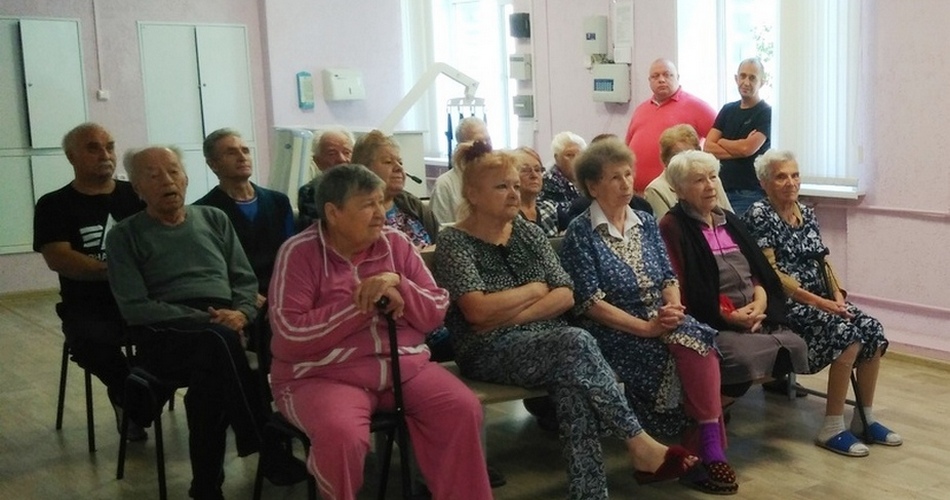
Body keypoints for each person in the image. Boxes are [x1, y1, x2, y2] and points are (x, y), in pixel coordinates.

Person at [433, 141, 697, 500]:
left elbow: (566, 295)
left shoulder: (528, 233)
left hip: (550, 345)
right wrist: (534, 289)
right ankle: (639, 444)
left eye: (515, 185)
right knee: (576, 341)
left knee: (572, 380)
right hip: (487, 350)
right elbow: (476, 312)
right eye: (501, 186)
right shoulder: (455, 241)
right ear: (473, 194)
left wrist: (508, 312)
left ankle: (589, 494)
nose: (514, 194)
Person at [268, 164, 492, 500]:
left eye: (380, 202)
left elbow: (436, 310)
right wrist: (364, 304)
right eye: (367, 205)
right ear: (333, 213)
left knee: (461, 408)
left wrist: (398, 283)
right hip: (323, 376)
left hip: (403, 367)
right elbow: (288, 335)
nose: (380, 213)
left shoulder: (396, 243)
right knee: (342, 435)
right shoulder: (299, 252)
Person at [106, 146, 304, 499]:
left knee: (210, 384)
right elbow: (135, 307)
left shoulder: (214, 218)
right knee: (218, 342)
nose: (167, 181)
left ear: (185, 178)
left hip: (227, 326)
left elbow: (244, 279)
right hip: (166, 332)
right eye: (153, 175)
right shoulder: (125, 235)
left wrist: (242, 313)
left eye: (173, 171)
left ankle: (206, 488)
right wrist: (211, 320)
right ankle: (263, 444)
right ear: (137, 188)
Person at [557, 138, 737, 495]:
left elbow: (668, 277)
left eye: (628, 174)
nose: (627, 184)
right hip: (612, 329)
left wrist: (672, 308)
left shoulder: (646, 221)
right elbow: (589, 303)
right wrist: (645, 327)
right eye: (615, 177)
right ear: (593, 186)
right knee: (671, 357)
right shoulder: (580, 232)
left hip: (659, 318)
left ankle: (707, 449)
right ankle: (700, 453)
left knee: (700, 340)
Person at [741, 149, 902, 457]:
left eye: (795, 175)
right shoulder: (759, 215)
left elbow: (822, 260)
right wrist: (820, 303)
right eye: (781, 177)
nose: (791, 182)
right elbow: (772, 275)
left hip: (820, 300)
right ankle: (832, 426)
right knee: (847, 335)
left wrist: (837, 296)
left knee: (872, 329)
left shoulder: (806, 212)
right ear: (764, 183)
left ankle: (864, 417)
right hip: (784, 305)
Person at [657, 149, 808, 398]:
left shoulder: (728, 219)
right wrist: (728, 315)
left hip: (753, 312)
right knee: (742, 357)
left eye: (713, 177)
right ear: (679, 190)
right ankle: (711, 413)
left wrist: (760, 302)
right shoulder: (672, 226)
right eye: (699, 180)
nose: (710, 186)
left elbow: (758, 269)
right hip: (714, 320)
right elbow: (682, 285)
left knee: (796, 345)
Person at [32, 123, 147, 441]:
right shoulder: (54, 204)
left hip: (142, 298)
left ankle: (139, 396)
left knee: (177, 334)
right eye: (93, 148)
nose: (105, 155)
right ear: (71, 157)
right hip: (88, 307)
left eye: (109, 146)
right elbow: (60, 258)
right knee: (91, 344)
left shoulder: (137, 194)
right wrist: (120, 270)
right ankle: (129, 395)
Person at [194, 128, 294, 303]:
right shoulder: (203, 211)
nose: (242, 157)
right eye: (231, 153)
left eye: (245, 151)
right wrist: (247, 295)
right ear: (213, 164)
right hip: (235, 296)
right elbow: (211, 268)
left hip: (284, 290)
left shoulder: (279, 202)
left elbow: (292, 254)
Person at [625, 58, 717, 193]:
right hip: (637, 194)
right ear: (649, 81)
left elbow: (719, 144)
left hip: (677, 193)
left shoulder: (697, 107)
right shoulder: (641, 109)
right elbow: (627, 148)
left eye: (667, 75)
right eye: (655, 76)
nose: (661, 80)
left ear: (677, 77)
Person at [704, 57, 771, 215]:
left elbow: (747, 149)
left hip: (749, 193)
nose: (746, 82)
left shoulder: (766, 113)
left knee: (740, 231)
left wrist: (722, 141)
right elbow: (707, 147)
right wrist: (739, 148)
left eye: (752, 78)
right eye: (743, 76)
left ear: (762, 82)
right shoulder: (727, 110)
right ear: (736, 78)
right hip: (720, 190)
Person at [352, 130, 439, 248]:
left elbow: (439, 245)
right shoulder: (351, 213)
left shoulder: (413, 205)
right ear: (364, 168)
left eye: (400, 162)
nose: (399, 168)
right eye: (388, 162)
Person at [644, 124, 733, 219]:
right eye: (678, 157)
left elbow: (730, 217)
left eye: (692, 156)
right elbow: (665, 225)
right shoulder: (656, 190)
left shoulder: (712, 179)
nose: (686, 162)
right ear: (665, 161)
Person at [430, 117, 491, 224]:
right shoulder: (444, 184)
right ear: (462, 147)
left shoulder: (499, 177)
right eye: (479, 142)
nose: (486, 146)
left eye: (488, 140)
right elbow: (439, 227)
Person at [297, 127, 355, 226]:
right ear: (317, 161)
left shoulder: (366, 188)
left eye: (347, 152)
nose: (342, 159)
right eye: (332, 154)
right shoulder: (310, 192)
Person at [539, 131, 587, 229]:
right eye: (569, 155)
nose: (576, 160)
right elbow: (561, 216)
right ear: (557, 158)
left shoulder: (588, 180)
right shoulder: (548, 182)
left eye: (580, 155)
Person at [515, 146, 558, 237]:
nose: (534, 175)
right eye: (525, 170)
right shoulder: (508, 215)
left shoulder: (549, 209)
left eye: (538, 170)